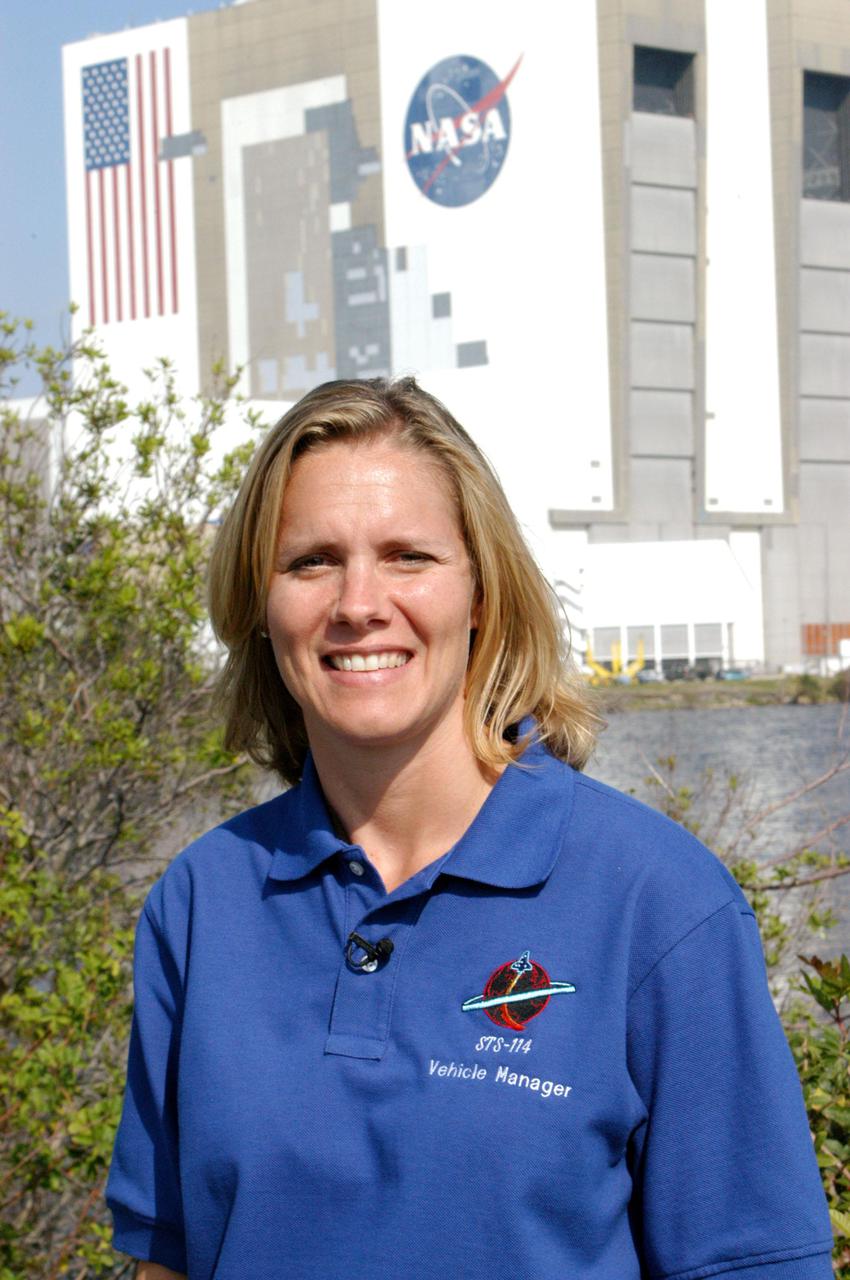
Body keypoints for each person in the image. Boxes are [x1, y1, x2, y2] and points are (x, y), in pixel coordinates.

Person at [107, 377, 834, 1280]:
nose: (358, 602)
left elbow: (752, 1264)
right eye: (310, 561)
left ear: (483, 593)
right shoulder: (201, 903)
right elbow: (166, 1258)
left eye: (408, 555)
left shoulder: (657, 902)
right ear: (260, 605)